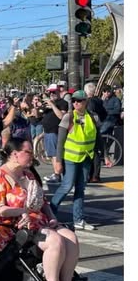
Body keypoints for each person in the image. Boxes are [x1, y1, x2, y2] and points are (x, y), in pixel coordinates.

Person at [0, 138, 84, 281]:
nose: (32, 156)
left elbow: (43, 202)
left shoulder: (28, 174)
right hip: (13, 227)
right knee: (55, 241)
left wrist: (52, 216)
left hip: (38, 222)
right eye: (29, 152)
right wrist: (22, 212)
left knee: (71, 238)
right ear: (15, 154)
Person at [51, 90, 98, 231]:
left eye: (79, 100)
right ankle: (50, 213)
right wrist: (58, 161)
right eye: (74, 101)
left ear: (86, 102)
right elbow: (60, 141)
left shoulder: (93, 117)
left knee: (80, 188)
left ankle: (78, 219)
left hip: (85, 157)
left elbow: (99, 137)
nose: (76, 103)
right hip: (71, 157)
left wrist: (106, 155)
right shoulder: (69, 117)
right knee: (67, 186)